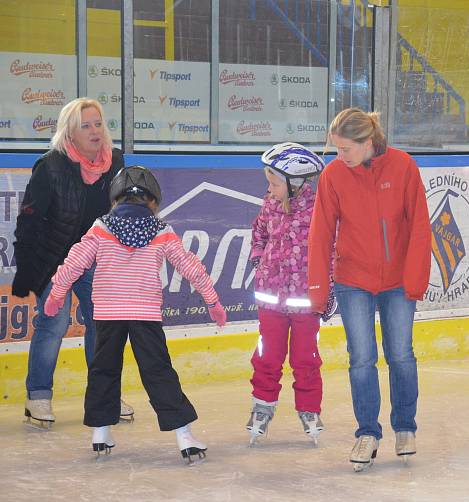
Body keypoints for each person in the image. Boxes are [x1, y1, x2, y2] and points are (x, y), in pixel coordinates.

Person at [43, 166, 227, 464]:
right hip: (145, 315)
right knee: (158, 373)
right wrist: (212, 301)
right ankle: (184, 436)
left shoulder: (100, 228)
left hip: (107, 315)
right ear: (154, 202)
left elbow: (74, 261)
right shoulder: (162, 231)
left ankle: (100, 432)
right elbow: (189, 265)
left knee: (103, 369)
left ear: (115, 199)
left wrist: (55, 295)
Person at [307, 108, 431, 472]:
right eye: (336, 149)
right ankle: (368, 432)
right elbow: (321, 233)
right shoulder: (333, 176)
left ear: (366, 142)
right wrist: (318, 287)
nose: (338, 156)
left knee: (401, 355)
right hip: (353, 279)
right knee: (361, 358)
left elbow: (420, 225)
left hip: (397, 281)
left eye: (344, 149)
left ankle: (405, 428)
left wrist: (415, 277)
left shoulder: (403, 166)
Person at [11, 97, 133, 427]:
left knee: (102, 325)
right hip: (55, 258)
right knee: (54, 323)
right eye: (85, 126)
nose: (95, 131)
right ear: (70, 133)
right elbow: (30, 220)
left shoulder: (115, 160)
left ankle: (103, 395)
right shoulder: (50, 166)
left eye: (98, 124)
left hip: (96, 257)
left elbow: (123, 211)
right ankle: (37, 397)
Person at [246, 142, 328, 446]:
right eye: (269, 182)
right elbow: (259, 232)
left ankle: (309, 409)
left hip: (306, 302)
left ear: (296, 182)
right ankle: (262, 405)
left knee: (306, 358)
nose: (270, 189)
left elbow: (331, 248)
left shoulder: (320, 208)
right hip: (270, 297)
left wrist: (327, 288)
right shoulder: (270, 204)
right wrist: (259, 258)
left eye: (275, 183)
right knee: (267, 354)